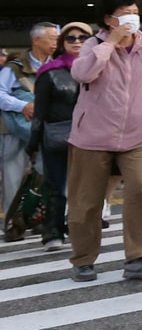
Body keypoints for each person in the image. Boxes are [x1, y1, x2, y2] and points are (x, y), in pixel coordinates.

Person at [69, 0, 142, 282]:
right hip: (92, 135)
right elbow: (82, 73)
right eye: (125, 14)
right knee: (86, 201)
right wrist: (110, 43)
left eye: (135, 13)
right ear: (108, 19)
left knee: (141, 192)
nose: (131, 19)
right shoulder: (93, 45)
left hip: (138, 134)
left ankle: (140, 257)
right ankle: (83, 259)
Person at [26, 22, 91, 250]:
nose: (77, 42)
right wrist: (33, 142)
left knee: (86, 188)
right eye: (70, 38)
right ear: (62, 43)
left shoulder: (101, 68)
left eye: (83, 38)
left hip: (93, 137)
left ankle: (80, 230)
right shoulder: (50, 72)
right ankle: (53, 231)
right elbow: (40, 111)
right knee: (57, 186)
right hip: (56, 137)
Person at [1, 22, 58, 215]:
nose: (56, 42)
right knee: (13, 175)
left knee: (46, 173)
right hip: (14, 129)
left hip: (47, 129)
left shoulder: (56, 65)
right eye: (52, 38)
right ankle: (13, 221)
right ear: (36, 40)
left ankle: (37, 216)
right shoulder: (14, 68)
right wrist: (22, 105)